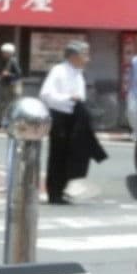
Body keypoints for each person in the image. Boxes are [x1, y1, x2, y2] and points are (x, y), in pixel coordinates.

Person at [39, 41, 90, 204]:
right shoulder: (59, 70)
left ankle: (62, 189)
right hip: (60, 117)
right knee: (58, 155)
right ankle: (54, 192)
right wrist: (68, 99)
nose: (87, 59)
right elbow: (46, 94)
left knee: (72, 155)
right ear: (73, 56)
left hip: (75, 117)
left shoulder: (78, 73)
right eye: (84, 55)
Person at [0, 42, 22, 131]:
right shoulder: (4, 61)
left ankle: (5, 125)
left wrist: (8, 74)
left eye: (4, 52)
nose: (2, 53)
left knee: (8, 107)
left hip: (11, 87)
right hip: (4, 86)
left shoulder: (13, 61)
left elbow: (19, 74)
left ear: (9, 53)